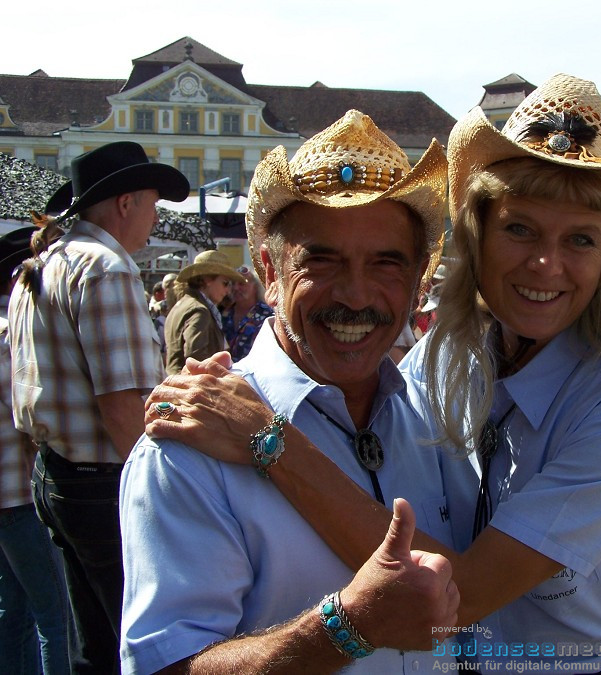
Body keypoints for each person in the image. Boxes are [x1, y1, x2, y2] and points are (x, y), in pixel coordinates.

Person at [145, 75, 601, 672]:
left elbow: (455, 599)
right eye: (519, 228)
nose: (546, 264)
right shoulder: (445, 360)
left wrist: (271, 443)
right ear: (477, 238)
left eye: (580, 239)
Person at [119, 110, 460, 674]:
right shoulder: (185, 446)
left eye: (385, 263)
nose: (354, 295)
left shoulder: (435, 419)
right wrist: (346, 629)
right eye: (320, 260)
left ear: (420, 276)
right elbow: (162, 666)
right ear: (268, 270)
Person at [8, 141, 188, 674]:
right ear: (125, 203)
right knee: (142, 643)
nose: (155, 220)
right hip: (101, 481)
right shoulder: (106, 267)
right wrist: (159, 493)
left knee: (91, 644)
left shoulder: (42, 264)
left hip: (54, 475)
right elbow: (122, 403)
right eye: (153, 204)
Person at [0, 226, 70, 674]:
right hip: (19, 493)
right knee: (54, 616)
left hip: (7, 496)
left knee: (15, 610)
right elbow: (25, 411)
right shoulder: (9, 332)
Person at [164, 250, 246, 375]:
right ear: (207, 279)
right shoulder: (199, 310)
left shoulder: (182, 304)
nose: (228, 290)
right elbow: (196, 359)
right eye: (225, 283)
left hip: (178, 384)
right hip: (193, 387)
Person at [221, 264, 273, 361]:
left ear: (255, 287)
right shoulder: (224, 313)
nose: (236, 288)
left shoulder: (267, 315)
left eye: (241, 283)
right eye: (233, 283)